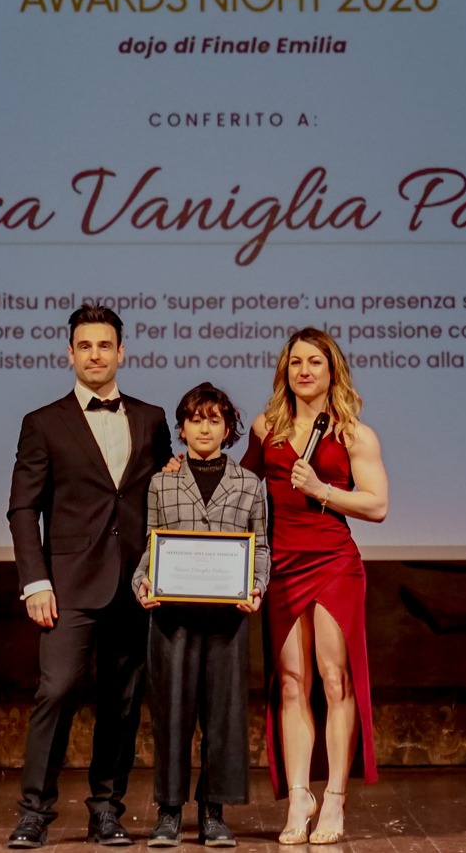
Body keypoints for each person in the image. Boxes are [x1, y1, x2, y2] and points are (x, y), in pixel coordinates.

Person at [6, 305, 176, 849]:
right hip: (68, 584)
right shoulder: (43, 422)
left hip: (135, 583)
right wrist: (36, 582)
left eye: (105, 345)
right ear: (70, 354)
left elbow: (167, 496)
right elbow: (23, 508)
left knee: (122, 702)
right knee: (57, 691)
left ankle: (106, 810)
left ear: (121, 352)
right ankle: (34, 812)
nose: (95, 355)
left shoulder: (151, 418)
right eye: (85, 346)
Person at [243, 328, 389, 846]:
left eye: (315, 362)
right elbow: (237, 490)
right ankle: (299, 795)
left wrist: (322, 490)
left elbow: (376, 505)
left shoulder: (355, 435)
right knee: (290, 682)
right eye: (296, 362)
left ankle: (334, 799)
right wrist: (184, 469)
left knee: (334, 679)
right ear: (285, 371)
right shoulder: (267, 428)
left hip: (332, 562)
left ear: (332, 372)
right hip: (282, 563)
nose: (304, 371)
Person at [131, 383, 271, 849]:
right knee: (171, 714)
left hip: (228, 618)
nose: (204, 428)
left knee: (224, 715)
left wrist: (256, 585)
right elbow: (151, 543)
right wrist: (142, 581)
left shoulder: (249, 484)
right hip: (172, 618)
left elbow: (261, 547)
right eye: (195, 420)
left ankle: (214, 812)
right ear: (182, 427)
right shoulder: (162, 482)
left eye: (214, 420)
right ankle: (169, 812)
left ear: (229, 428)